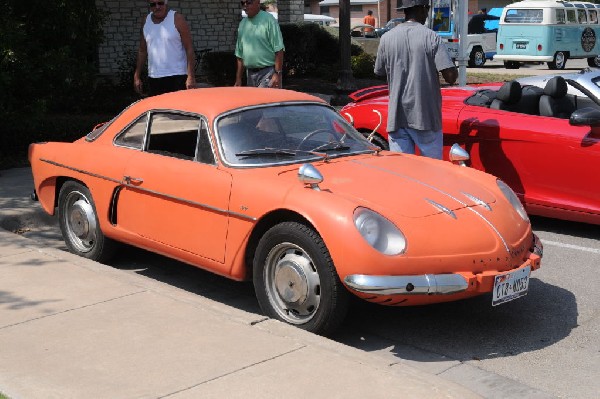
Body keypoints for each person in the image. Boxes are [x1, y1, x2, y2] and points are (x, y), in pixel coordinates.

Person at [374, 0, 457, 159]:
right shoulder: (431, 37)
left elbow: (379, 72)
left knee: (404, 174)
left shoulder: (386, 38)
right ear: (420, 9)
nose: (427, 14)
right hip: (426, 117)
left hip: (397, 118)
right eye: (427, 9)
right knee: (433, 171)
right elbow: (450, 77)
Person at [134, 0, 196, 96]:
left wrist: (191, 76)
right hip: (154, 77)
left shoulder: (177, 18)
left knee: (177, 109)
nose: (157, 7)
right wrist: (137, 75)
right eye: (153, 4)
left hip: (177, 76)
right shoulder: (146, 21)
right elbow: (142, 50)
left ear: (166, 3)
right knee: (158, 109)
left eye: (160, 3)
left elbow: (189, 49)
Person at [235, 0, 285, 88]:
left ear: (258, 2)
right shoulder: (242, 24)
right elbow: (240, 55)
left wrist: (277, 73)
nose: (245, 6)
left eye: (249, 2)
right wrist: (238, 78)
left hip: (268, 74)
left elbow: (279, 49)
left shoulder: (269, 20)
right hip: (250, 75)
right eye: (243, 3)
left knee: (266, 102)